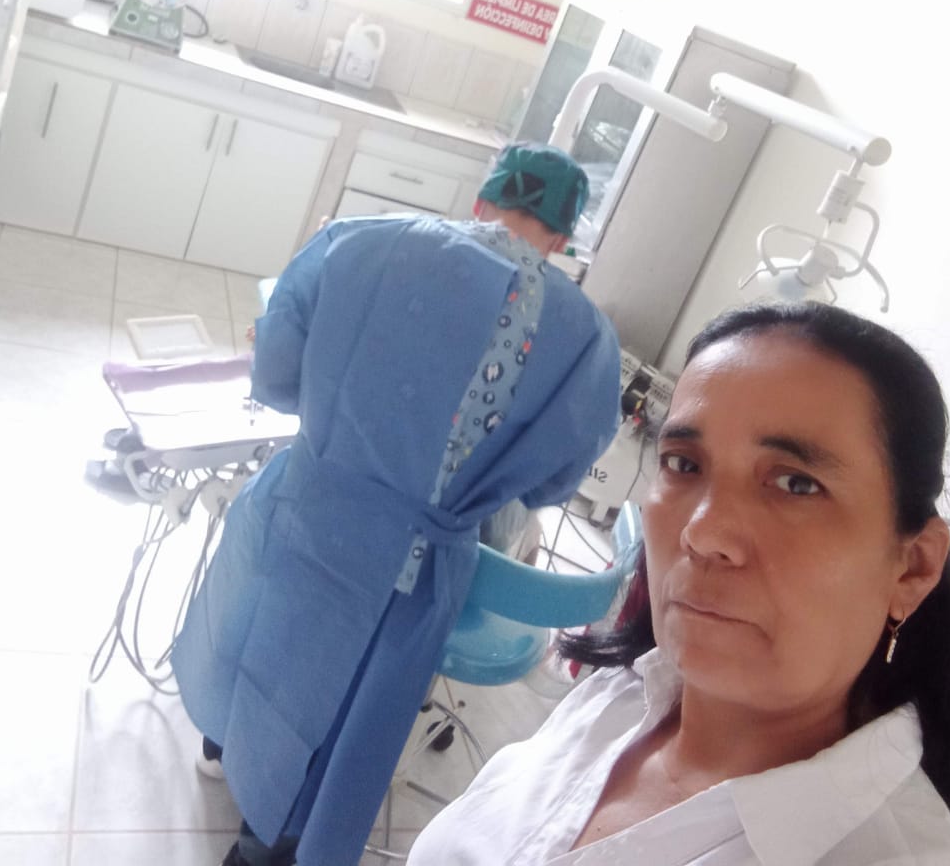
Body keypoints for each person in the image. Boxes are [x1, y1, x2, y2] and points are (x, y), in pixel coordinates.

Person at [170, 142, 622, 866]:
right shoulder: (584, 342)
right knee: (333, 716)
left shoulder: (357, 242)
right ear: (563, 241)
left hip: (302, 507)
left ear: (481, 201)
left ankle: (224, 747)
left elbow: (277, 376)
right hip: (403, 573)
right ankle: (264, 847)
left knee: (255, 637)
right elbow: (547, 486)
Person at [408, 301, 950, 864]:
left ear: (913, 568)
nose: (702, 533)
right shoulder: (627, 692)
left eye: (796, 484)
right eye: (684, 464)